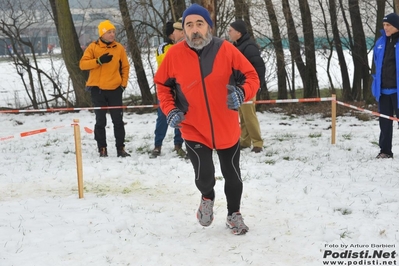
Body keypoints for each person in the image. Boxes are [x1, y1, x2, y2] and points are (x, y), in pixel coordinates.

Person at [154, 4, 260, 235]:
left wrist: (243, 92)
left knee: (232, 175)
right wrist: (170, 109)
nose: (194, 30)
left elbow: (251, 76)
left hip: (226, 125)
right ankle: (207, 197)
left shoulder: (226, 49)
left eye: (199, 24)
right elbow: (162, 85)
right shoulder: (173, 54)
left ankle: (234, 214)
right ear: (184, 29)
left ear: (208, 26)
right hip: (193, 127)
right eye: (189, 25)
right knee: (204, 175)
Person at [79, 20, 130, 158]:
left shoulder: (119, 48)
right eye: (109, 32)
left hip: (115, 89)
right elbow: (83, 65)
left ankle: (120, 148)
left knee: (118, 121)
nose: (112, 34)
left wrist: (123, 85)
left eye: (113, 32)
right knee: (100, 121)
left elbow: (125, 67)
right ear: (102, 33)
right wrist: (99, 61)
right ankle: (102, 148)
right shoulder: (93, 47)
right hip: (98, 90)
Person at [150, 21, 186, 158]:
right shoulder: (163, 47)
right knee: (163, 117)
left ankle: (178, 144)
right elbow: (165, 62)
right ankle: (157, 145)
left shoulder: (184, 46)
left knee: (181, 115)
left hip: (181, 87)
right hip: (167, 87)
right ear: (172, 34)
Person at [228, 20, 265, 153]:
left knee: (249, 115)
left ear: (238, 32)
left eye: (230, 30)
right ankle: (244, 141)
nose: (228, 33)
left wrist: (257, 85)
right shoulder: (236, 46)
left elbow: (259, 66)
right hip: (238, 86)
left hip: (248, 86)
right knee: (243, 115)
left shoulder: (249, 47)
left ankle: (257, 143)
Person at [372, 13, 399, 159]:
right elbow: (376, 63)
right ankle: (385, 151)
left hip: (398, 91)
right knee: (385, 123)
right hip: (383, 91)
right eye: (384, 25)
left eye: (388, 25)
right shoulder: (380, 42)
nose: (385, 28)